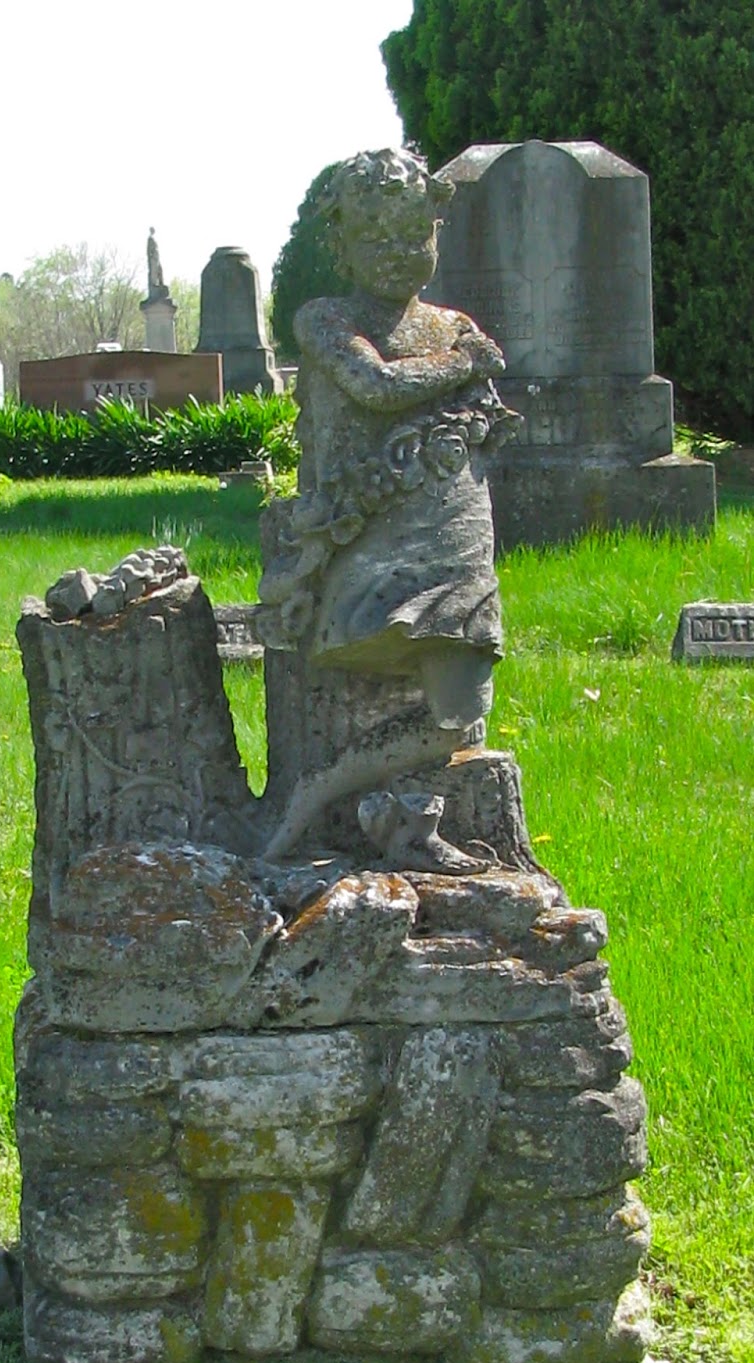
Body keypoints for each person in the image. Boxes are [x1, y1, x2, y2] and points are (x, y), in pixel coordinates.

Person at [258, 149, 518, 862]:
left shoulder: (452, 323)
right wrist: (464, 366)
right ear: (341, 246)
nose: (400, 255)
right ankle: (333, 801)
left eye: (415, 237)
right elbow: (372, 384)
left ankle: (363, 807)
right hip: (371, 542)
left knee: (461, 716)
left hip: (457, 538)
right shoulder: (326, 319)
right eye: (378, 240)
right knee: (446, 705)